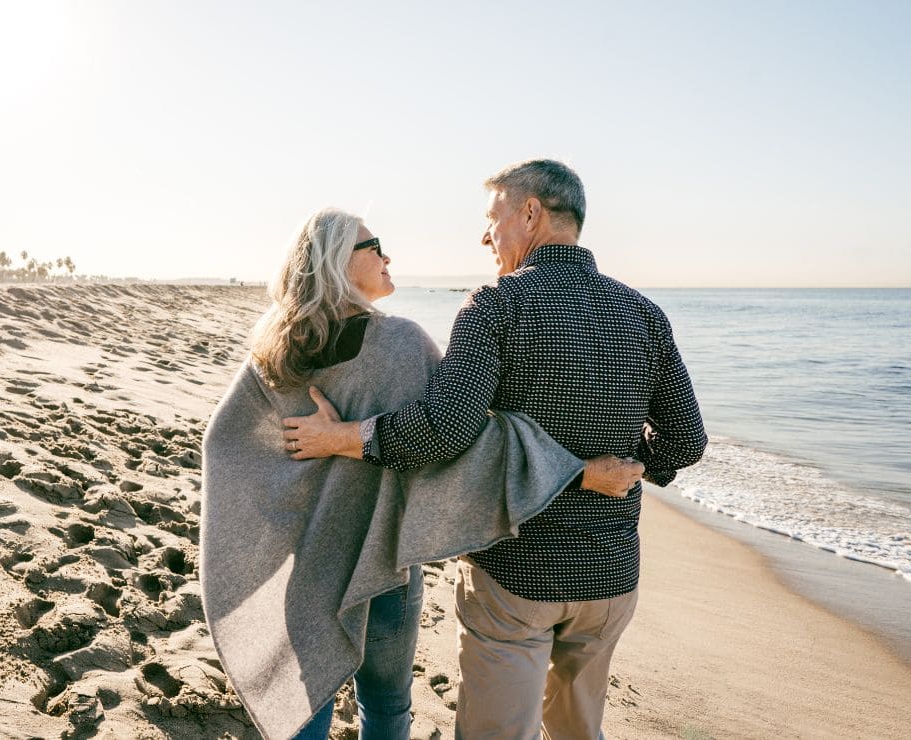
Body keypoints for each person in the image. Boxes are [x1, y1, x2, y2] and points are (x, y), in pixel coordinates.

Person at [282, 161, 707, 739]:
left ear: (530, 213)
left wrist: (344, 438)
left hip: (517, 574)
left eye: (493, 217)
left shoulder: (496, 306)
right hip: (611, 575)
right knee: (580, 731)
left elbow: (444, 431)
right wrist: (634, 468)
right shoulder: (643, 314)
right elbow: (687, 441)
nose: (487, 235)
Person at [201, 207, 643, 740]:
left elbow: (224, 446)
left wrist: (291, 498)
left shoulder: (273, 349)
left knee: (305, 702)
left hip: (308, 560)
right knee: (386, 706)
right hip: (382, 558)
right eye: (374, 246)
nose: (387, 256)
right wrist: (578, 473)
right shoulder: (401, 343)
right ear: (338, 262)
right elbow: (465, 441)